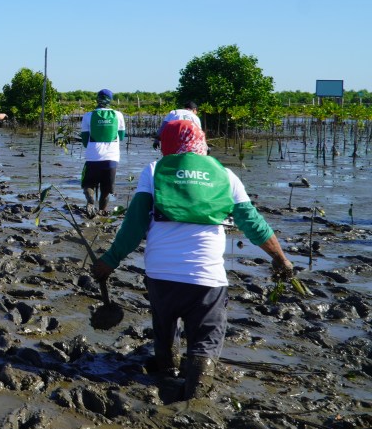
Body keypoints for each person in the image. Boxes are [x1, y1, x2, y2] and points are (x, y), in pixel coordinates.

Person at [92, 120, 293, 400]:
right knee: (205, 341)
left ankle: (166, 374)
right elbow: (253, 224)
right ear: (202, 143)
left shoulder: (154, 170)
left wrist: (109, 261)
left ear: (167, 144)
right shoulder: (226, 175)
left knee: (164, 328)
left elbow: (134, 225)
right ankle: (195, 400)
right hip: (207, 279)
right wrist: (280, 259)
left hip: (160, 277)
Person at [80, 89, 126, 216]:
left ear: (97, 99)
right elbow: (121, 136)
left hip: (92, 157)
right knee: (106, 190)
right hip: (112, 158)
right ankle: (102, 213)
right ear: (110, 101)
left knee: (88, 184)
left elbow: (84, 140)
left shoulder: (88, 116)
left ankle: (90, 201)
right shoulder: (118, 115)